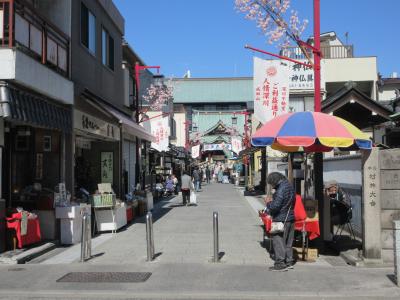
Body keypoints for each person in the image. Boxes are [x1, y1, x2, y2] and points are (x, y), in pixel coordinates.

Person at [264, 172, 295, 271]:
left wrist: (268, 203)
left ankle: (280, 264)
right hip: (290, 217)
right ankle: (289, 261)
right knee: (288, 242)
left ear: (274, 181)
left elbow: (275, 206)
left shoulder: (281, 189)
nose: (271, 185)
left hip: (281, 219)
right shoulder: (289, 185)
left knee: (278, 241)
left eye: (271, 183)